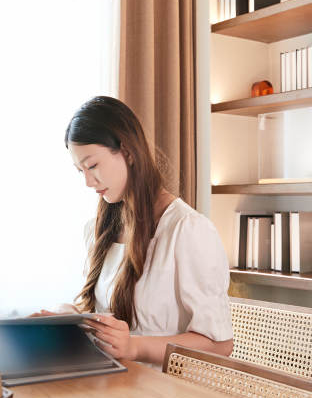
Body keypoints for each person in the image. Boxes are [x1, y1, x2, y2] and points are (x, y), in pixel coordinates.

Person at [40, 96, 233, 367]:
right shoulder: (98, 229)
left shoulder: (187, 230)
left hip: (163, 393)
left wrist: (134, 347)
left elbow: (219, 344)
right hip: (113, 385)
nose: (87, 181)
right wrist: (68, 316)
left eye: (92, 165)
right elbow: (108, 318)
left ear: (128, 152)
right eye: (80, 170)